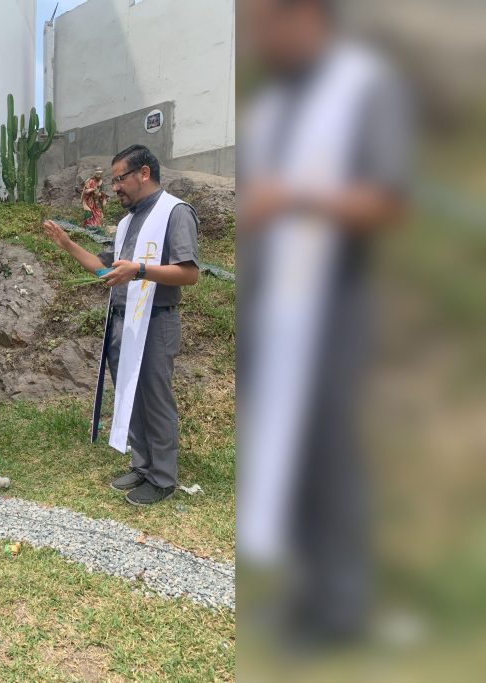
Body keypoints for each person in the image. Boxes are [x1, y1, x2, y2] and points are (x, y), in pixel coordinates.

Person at [237, 0, 410, 646]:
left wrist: (295, 198)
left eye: (267, 21)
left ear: (306, 14)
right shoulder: (273, 106)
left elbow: (389, 200)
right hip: (273, 308)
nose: (260, 37)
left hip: (334, 304)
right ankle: (305, 597)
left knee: (332, 453)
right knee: (290, 456)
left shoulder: (365, 85)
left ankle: (342, 609)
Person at [43, 144, 199, 505]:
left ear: (144, 173)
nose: (113, 188)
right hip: (123, 322)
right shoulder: (128, 222)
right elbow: (106, 271)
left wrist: (139, 270)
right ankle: (142, 466)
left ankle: (163, 478)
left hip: (156, 321)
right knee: (131, 396)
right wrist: (67, 244)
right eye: (113, 181)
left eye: (119, 179)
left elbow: (189, 274)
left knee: (154, 399)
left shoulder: (175, 212)